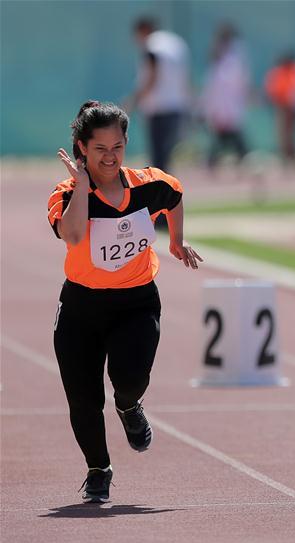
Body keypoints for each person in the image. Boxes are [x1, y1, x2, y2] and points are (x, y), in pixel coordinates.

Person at [48, 101, 203, 503]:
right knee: (83, 398)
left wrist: (175, 239)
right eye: (100, 148)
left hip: (136, 302)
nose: (110, 157)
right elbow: (74, 237)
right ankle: (98, 469)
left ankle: (130, 405)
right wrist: (83, 186)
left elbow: (175, 195)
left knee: (129, 377)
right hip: (81, 307)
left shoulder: (146, 184)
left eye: (117, 146)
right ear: (82, 148)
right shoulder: (66, 194)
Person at [130, 17, 191, 174]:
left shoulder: (151, 45)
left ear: (143, 30)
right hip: (177, 105)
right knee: (166, 156)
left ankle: (162, 194)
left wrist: (134, 100)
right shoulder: (176, 43)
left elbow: (152, 76)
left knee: (158, 159)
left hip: (158, 107)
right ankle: (168, 192)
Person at [201, 23, 251, 172]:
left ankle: (241, 158)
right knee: (224, 137)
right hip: (221, 107)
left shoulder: (235, 58)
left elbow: (236, 84)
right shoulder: (220, 60)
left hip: (229, 107)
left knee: (230, 136)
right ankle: (215, 161)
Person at [265, 50, 295, 169]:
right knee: (286, 136)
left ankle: (292, 159)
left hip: (290, 108)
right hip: (283, 107)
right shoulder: (282, 72)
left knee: (289, 136)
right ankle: (289, 159)